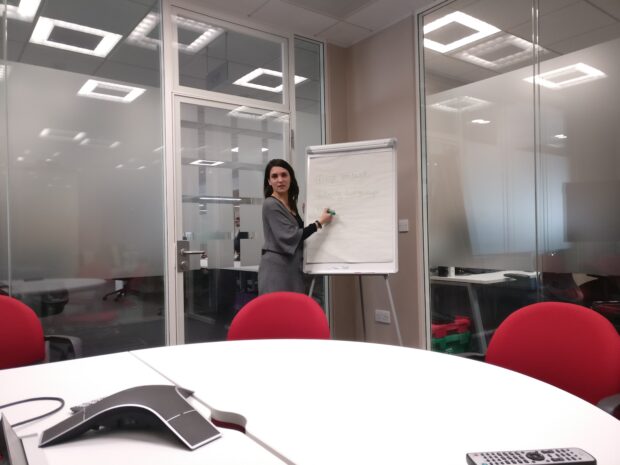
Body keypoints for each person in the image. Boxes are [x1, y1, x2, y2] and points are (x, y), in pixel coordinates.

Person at [258, 159, 333, 294]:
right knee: (279, 311)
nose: (280, 180)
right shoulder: (270, 204)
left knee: (293, 311)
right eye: (274, 176)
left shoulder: (290, 205)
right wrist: (319, 223)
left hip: (290, 267)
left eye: (284, 175)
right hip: (277, 269)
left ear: (290, 178)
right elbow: (291, 236)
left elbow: (297, 230)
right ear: (269, 181)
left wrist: (308, 215)